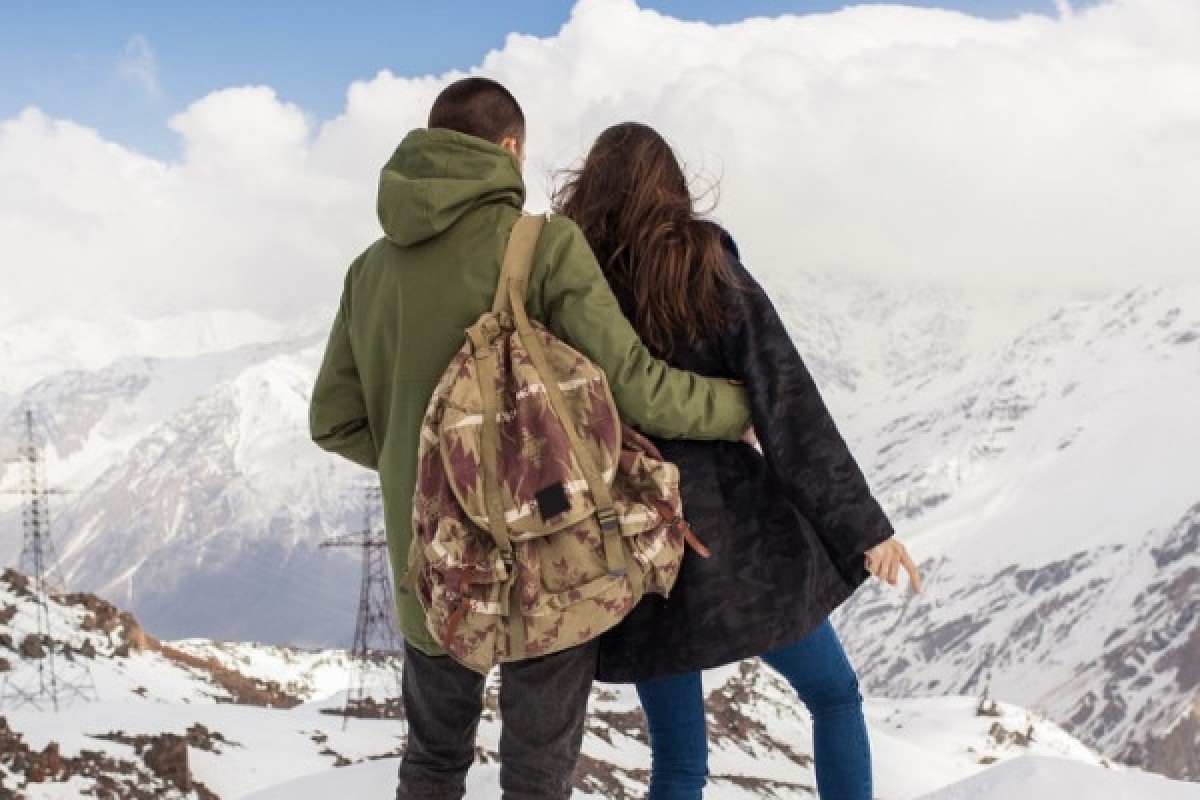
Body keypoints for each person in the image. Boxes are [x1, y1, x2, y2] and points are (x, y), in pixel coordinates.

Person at [308, 81, 754, 800]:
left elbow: (332, 421)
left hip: (433, 565)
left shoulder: (369, 271)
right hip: (548, 553)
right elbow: (635, 387)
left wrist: (434, 470)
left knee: (429, 766)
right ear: (511, 148)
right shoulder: (544, 245)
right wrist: (738, 409)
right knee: (538, 778)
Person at [554, 121, 923, 800]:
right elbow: (786, 401)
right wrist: (865, 528)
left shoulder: (571, 281)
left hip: (629, 537)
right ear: (675, 189)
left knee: (678, 756)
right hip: (735, 543)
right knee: (835, 696)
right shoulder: (706, 266)